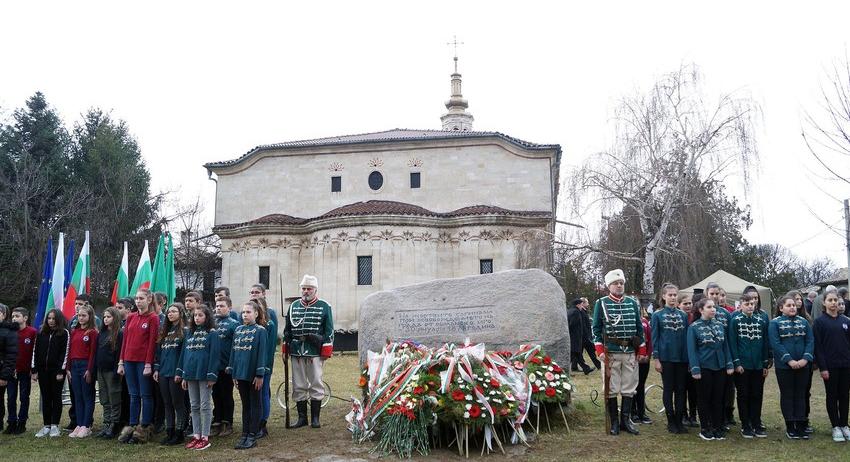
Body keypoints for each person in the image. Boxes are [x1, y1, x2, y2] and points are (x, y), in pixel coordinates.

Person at [591, 269, 645, 436]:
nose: (619, 285)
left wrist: (641, 348)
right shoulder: (601, 303)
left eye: (621, 283)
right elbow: (596, 329)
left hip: (629, 351)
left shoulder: (632, 303)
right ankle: (614, 422)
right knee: (612, 387)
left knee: (629, 386)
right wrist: (599, 349)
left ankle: (625, 421)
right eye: (616, 283)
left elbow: (639, 327)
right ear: (609, 286)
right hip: (611, 352)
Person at [284, 275, 334, 430]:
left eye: (309, 289)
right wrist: (286, 348)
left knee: (316, 383)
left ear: (315, 290)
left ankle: (315, 419)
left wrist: (325, 350)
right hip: (297, 350)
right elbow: (288, 331)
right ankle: (302, 418)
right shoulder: (293, 306)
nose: (305, 291)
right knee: (298, 384)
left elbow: (329, 331)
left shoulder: (325, 306)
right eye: (303, 288)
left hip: (314, 350)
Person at [117, 288, 160, 444]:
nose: (138, 301)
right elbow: (125, 341)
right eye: (137, 298)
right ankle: (132, 424)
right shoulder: (131, 317)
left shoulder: (153, 318)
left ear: (149, 300)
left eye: (141, 298)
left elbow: (152, 343)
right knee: (133, 394)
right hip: (129, 360)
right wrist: (121, 361)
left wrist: (148, 364)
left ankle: (145, 426)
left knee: (145, 394)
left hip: (143, 361)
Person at [687, 298, 734, 441]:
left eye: (714, 307)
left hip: (720, 367)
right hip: (704, 367)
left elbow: (725, 346)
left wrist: (729, 364)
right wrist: (695, 369)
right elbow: (692, 350)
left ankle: (717, 426)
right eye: (709, 307)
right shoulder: (694, 327)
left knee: (718, 398)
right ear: (701, 310)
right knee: (704, 398)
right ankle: (705, 428)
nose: (713, 309)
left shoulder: (720, 325)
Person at [769, 295, 814, 440]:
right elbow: (776, 344)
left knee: (801, 394)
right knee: (788, 394)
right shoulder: (774, 323)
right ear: (781, 308)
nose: (793, 307)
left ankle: (801, 425)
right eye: (789, 305)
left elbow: (810, 340)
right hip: (784, 367)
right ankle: (790, 426)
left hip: (803, 365)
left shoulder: (804, 322)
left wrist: (805, 359)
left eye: (794, 305)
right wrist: (789, 361)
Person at [177, 304, 220, 451]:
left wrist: (212, 375)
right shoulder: (189, 332)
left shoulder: (212, 333)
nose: (197, 318)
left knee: (205, 405)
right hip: (190, 374)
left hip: (204, 374)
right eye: (195, 315)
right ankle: (196, 435)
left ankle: (205, 437)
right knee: (194, 405)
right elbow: (184, 355)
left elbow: (214, 356)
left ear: (207, 317)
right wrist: (183, 375)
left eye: (200, 315)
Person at [227, 301, 268, 449]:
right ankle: (244, 434)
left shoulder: (260, 331)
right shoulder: (238, 329)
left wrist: (259, 374)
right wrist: (233, 373)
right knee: (245, 405)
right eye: (243, 312)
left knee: (255, 403)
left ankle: (253, 435)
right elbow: (234, 352)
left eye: (248, 312)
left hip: (253, 374)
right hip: (240, 373)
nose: (245, 314)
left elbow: (262, 354)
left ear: (256, 314)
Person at [728, 293, 770, 438]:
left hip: (758, 365)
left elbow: (765, 343)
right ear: (740, 305)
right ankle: (745, 424)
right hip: (743, 365)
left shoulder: (761, 321)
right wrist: (737, 363)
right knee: (744, 394)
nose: (750, 306)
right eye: (747, 304)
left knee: (757, 394)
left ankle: (756, 422)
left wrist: (765, 363)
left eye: (752, 304)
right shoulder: (735, 321)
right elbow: (732, 343)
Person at [651, 283, 689, 434]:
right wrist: (656, 359)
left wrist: (688, 359)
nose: (673, 297)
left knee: (681, 390)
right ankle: (671, 420)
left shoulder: (683, 315)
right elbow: (655, 338)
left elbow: (687, 338)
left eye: (675, 295)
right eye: (670, 295)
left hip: (681, 358)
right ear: (664, 296)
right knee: (668, 389)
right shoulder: (657, 315)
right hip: (666, 358)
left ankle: (680, 420)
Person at [813, 289, 850, 442]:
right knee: (832, 396)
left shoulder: (846, 321)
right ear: (824, 302)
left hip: (846, 365)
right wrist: (823, 367)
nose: (834, 303)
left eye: (836, 300)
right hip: (830, 367)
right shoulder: (820, 322)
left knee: (844, 395)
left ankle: (844, 425)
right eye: (831, 300)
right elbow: (818, 347)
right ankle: (835, 426)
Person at [154, 303, 188, 446]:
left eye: (174, 311)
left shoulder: (185, 331)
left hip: (176, 373)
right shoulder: (164, 331)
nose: (170, 314)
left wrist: (180, 372)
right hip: (163, 372)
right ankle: (170, 431)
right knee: (167, 403)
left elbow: (184, 354)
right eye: (169, 312)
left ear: (181, 313)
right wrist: (156, 369)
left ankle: (180, 432)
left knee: (177, 403)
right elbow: (158, 353)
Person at [32, 309, 68, 438]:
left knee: (56, 397)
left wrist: (60, 371)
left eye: (53, 319)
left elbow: (65, 353)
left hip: (56, 372)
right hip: (43, 371)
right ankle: (46, 425)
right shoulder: (41, 332)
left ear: (58, 319)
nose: (51, 321)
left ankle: (55, 425)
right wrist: (34, 370)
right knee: (46, 397)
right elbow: (35, 352)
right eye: (49, 318)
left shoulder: (64, 333)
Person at [249, 284, 279, 437]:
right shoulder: (248, 315)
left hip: (264, 363)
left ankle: (262, 423)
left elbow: (271, 342)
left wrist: (265, 364)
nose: (254, 294)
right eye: (252, 292)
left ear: (264, 294)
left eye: (257, 292)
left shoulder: (270, 315)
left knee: (263, 392)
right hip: (251, 363)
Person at [705, 282, 735, 427]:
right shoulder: (702, 312)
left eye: (717, 293)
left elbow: (729, 338)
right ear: (707, 294)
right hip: (707, 358)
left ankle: (722, 419)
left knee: (723, 390)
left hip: (724, 357)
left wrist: (731, 360)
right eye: (712, 294)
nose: (715, 296)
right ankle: (709, 419)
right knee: (709, 391)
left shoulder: (725, 314)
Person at [66, 304, 98, 438]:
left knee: (87, 396)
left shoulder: (93, 332)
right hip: (74, 366)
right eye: (79, 315)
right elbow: (70, 351)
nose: (81, 318)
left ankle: (86, 425)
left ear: (90, 316)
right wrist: (67, 368)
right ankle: (78, 424)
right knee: (77, 397)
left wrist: (90, 370)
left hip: (86, 366)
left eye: (84, 315)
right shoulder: (74, 332)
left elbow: (93, 353)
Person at [94, 307, 124, 439]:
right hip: (101, 370)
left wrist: (117, 369)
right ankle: (106, 424)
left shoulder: (119, 334)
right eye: (105, 317)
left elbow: (119, 354)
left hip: (112, 371)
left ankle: (114, 424)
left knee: (114, 397)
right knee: (104, 397)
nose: (106, 319)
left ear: (115, 318)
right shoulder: (101, 333)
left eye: (109, 317)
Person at [211, 296, 239, 437]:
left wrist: (232, 365)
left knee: (226, 395)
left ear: (229, 307)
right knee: (215, 395)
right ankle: (217, 421)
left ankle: (227, 422)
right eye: (217, 306)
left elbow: (236, 347)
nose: (218, 308)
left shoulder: (234, 324)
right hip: (213, 367)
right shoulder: (212, 323)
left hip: (226, 366)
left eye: (222, 306)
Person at [7, 307, 35, 435]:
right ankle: (11, 423)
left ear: (25, 318)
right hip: (11, 371)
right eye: (12, 316)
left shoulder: (32, 332)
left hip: (25, 371)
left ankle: (22, 422)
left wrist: (33, 369)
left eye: (17, 316)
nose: (14, 318)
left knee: (24, 397)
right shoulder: (9, 332)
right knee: (11, 397)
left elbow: (35, 352)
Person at [633, 305, 653, 425]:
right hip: (633, 359)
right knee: (632, 386)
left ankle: (642, 412)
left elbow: (649, 340)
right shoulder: (629, 323)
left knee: (641, 385)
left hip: (645, 360)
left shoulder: (645, 322)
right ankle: (633, 412)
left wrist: (648, 355)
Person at [568, 299, 593, 375]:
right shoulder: (575, 312)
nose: (582, 306)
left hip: (574, 337)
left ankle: (586, 369)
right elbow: (572, 324)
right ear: (578, 305)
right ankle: (563, 369)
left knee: (576, 354)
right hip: (575, 337)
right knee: (574, 354)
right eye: (581, 304)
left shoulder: (571, 311)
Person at [578, 298, 602, 371]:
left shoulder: (583, 311)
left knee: (578, 353)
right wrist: (587, 335)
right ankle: (598, 365)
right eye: (587, 303)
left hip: (584, 336)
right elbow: (583, 325)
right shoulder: (581, 312)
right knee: (590, 351)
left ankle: (574, 366)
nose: (588, 304)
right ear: (583, 303)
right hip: (585, 336)